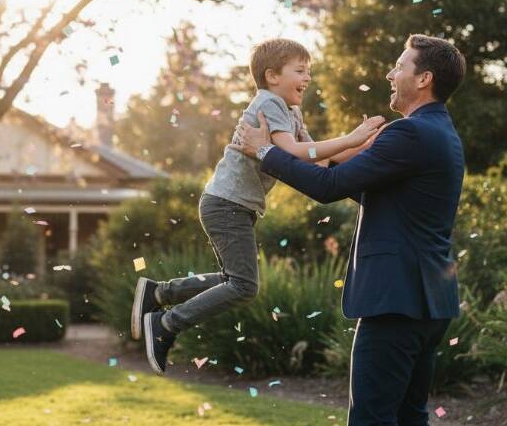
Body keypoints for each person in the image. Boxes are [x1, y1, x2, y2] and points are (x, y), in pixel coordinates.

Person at [233, 34, 466, 426]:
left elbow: (328, 189)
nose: (391, 74)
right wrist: (310, 153)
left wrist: (265, 152)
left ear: (423, 79)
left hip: (397, 299)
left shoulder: (408, 133)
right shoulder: (441, 133)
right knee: (409, 417)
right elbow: (355, 185)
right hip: (428, 301)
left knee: (371, 419)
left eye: (400, 65)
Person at [131, 37, 386, 375]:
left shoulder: (290, 111)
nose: (308, 78)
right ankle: (166, 324)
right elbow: (291, 154)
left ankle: (159, 293)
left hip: (233, 205)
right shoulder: (268, 103)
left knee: (233, 280)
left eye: (308, 70)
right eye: (300, 70)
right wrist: (352, 137)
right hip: (226, 204)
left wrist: (367, 146)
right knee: (243, 286)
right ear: (272, 76)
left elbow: (320, 160)